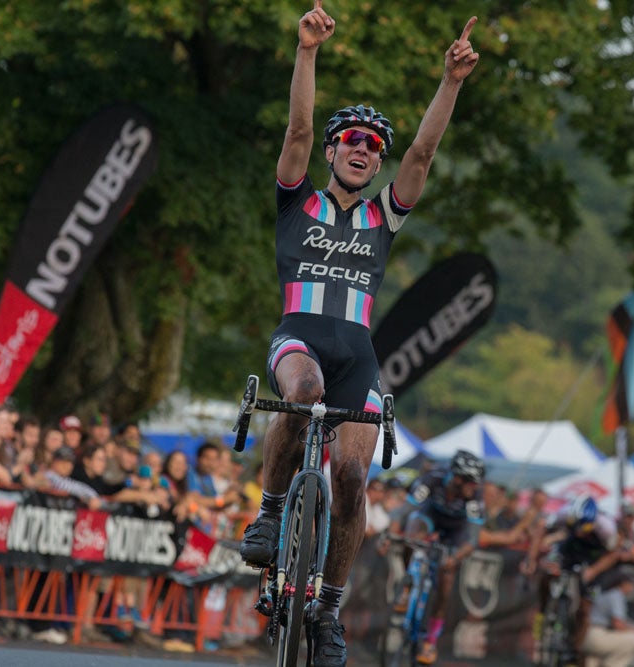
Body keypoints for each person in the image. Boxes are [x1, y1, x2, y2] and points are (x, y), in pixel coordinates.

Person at [237, 4, 480, 665]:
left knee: (349, 474)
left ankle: (330, 610)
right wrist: (307, 51)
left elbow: (425, 151)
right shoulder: (299, 200)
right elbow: (297, 127)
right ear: (332, 150)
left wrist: (451, 82)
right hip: (300, 340)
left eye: (373, 147)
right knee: (305, 389)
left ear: (377, 165)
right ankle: (268, 510)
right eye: (350, 140)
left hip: (359, 356)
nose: (361, 149)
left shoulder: (383, 214)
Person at [388, 450, 486, 665]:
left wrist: (455, 558)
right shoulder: (433, 478)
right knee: (411, 536)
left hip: (456, 531)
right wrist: (393, 531)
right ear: (458, 478)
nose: (475, 487)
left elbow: (472, 540)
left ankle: (430, 641)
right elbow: (406, 510)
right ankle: (408, 583)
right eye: (472, 482)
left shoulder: (475, 498)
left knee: (446, 580)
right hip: (429, 517)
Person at [522, 495, 625, 667]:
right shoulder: (564, 514)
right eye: (575, 527)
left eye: (583, 529)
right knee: (548, 572)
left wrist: (593, 570)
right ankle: (543, 611)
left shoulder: (605, 527)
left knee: (585, 608)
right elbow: (541, 529)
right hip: (570, 548)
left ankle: (574, 650)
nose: (579, 531)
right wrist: (531, 559)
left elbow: (614, 554)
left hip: (594, 556)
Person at [581, 569, 634, 667]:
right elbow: (617, 623)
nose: (632, 588)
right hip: (600, 636)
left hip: (590, 635)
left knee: (594, 661)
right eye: (631, 584)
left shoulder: (606, 593)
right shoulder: (616, 595)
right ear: (623, 584)